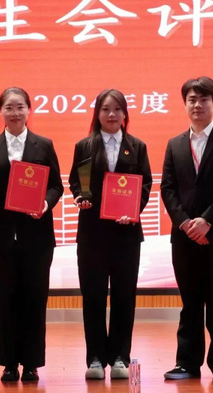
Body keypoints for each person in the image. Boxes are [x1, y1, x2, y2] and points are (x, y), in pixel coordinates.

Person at [160, 76, 213, 381]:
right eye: (192, 100)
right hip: (184, 236)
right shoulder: (175, 144)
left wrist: (207, 220)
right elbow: (168, 188)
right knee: (190, 301)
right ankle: (187, 362)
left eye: (204, 99)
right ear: (185, 104)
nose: (198, 105)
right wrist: (185, 222)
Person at [0, 87, 63, 382]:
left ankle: (32, 363)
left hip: (37, 237)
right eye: (9, 108)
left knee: (35, 299)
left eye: (20, 107)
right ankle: (9, 363)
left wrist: (45, 204)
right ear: (1, 111)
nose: (14, 113)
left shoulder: (44, 145)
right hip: (1, 238)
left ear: (29, 110)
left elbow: (56, 186)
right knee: (6, 298)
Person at [68, 88, 152, 380]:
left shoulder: (137, 146)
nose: (111, 114)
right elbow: (76, 182)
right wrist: (80, 197)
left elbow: (145, 185)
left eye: (117, 109)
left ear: (125, 113)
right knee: (92, 296)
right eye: (105, 109)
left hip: (126, 235)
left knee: (124, 297)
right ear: (97, 114)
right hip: (92, 234)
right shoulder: (84, 146)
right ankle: (95, 358)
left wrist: (134, 209)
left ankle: (119, 357)